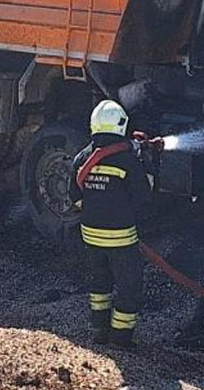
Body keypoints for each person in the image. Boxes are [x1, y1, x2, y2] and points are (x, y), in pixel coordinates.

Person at [69, 100, 154, 348]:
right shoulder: (128, 161)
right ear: (121, 125)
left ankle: (99, 332)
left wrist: (97, 210)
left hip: (90, 237)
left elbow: (75, 198)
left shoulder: (83, 158)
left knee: (100, 286)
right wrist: (147, 163)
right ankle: (121, 338)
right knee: (129, 288)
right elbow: (143, 198)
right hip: (122, 238)